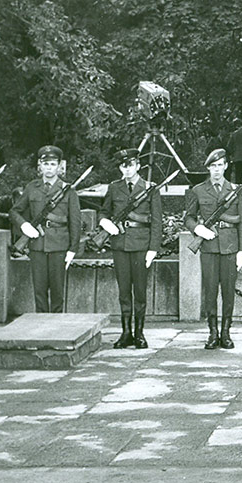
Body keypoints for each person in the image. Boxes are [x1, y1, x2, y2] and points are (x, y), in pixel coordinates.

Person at [98, 149, 162, 349]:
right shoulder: (114, 188)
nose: (127, 169)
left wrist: (153, 249)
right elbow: (104, 211)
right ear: (120, 168)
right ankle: (126, 333)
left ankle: (139, 333)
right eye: (123, 166)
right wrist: (105, 222)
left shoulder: (150, 188)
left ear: (138, 166)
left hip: (141, 246)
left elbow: (157, 222)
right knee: (124, 291)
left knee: (140, 291)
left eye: (131, 165)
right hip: (120, 245)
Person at [184, 148, 242, 350]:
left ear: (226, 166)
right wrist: (198, 229)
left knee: (228, 292)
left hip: (229, 247)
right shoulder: (198, 190)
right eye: (213, 166)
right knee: (210, 292)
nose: (217, 170)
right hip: (209, 247)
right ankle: (212, 333)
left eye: (220, 165)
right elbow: (188, 217)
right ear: (208, 168)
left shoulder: (235, 190)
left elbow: (241, 222)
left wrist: (241, 250)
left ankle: (226, 333)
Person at [11, 145, 82, 313]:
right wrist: (25, 225)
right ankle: (40, 328)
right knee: (39, 291)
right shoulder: (31, 188)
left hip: (59, 246)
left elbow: (75, 221)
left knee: (58, 292)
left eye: (52, 164)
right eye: (46, 164)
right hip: (37, 245)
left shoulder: (68, 191)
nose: (49, 168)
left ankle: (56, 330)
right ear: (40, 166)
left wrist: (73, 248)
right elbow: (14, 211)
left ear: (59, 167)